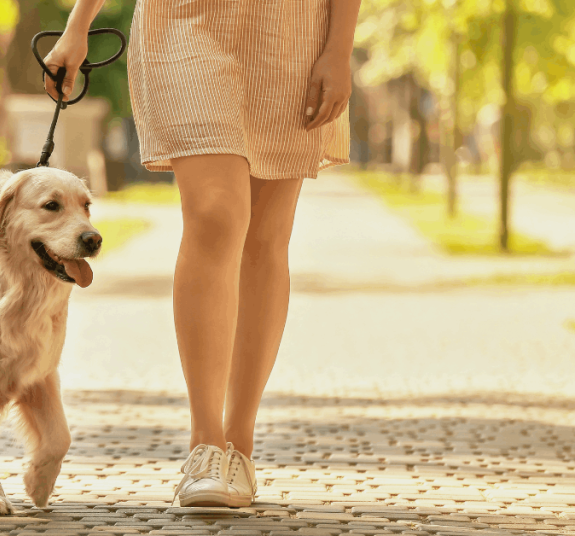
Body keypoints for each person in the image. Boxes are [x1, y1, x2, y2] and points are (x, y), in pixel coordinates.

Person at [43, 0, 361, 507]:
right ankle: (206, 445)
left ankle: (239, 447)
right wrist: (78, 25)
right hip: (182, 23)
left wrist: (338, 47)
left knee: (265, 235)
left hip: (292, 31)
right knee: (216, 214)